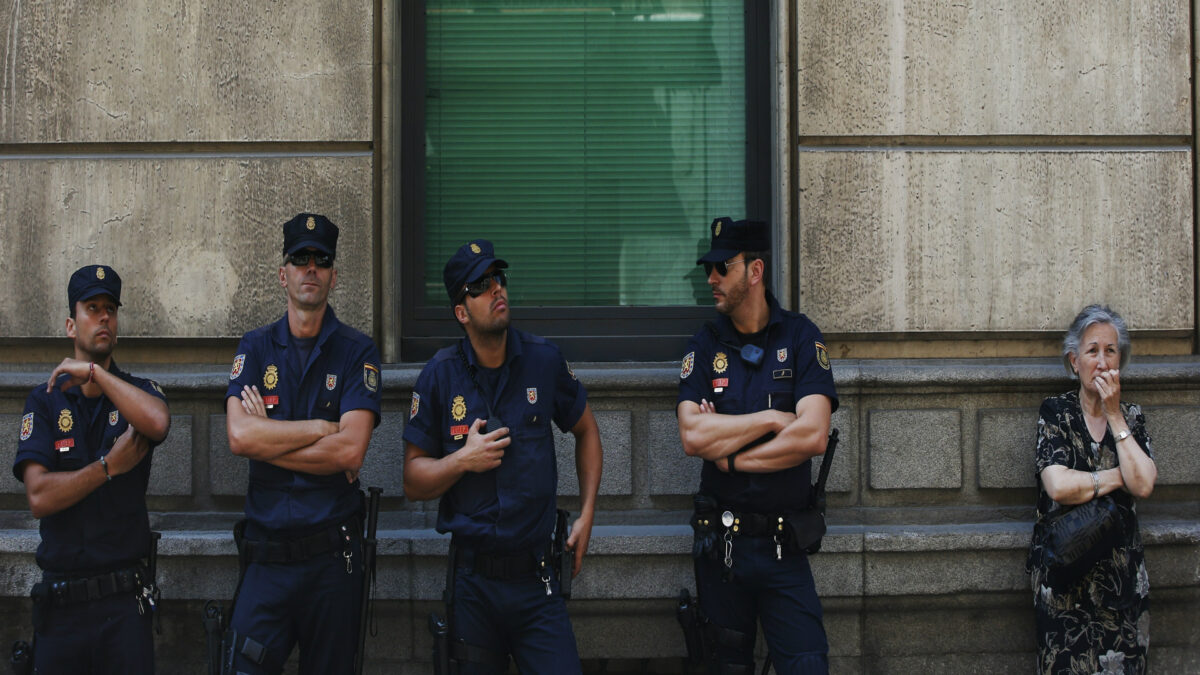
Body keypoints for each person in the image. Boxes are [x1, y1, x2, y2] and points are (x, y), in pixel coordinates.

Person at [403, 239, 603, 674]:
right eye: (481, 285)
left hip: (537, 581)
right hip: (474, 586)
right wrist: (461, 461)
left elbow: (587, 430)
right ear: (461, 311)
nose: (497, 290)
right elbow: (413, 480)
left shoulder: (543, 360)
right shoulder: (439, 376)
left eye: (499, 279)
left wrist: (588, 513)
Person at [676, 217, 838, 674]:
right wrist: (768, 418)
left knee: (808, 664)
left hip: (784, 548)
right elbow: (692, 435)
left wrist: (730, 454)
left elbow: (811, 435)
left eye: (722, 268)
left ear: (755, 271)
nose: (711, 279)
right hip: (723, 551)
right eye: (709, 269)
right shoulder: (706, 345)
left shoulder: (801, 337)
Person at [224, 213, 382, 674]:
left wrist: (267, 439)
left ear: (334, 275)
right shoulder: (254, 348)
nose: (310, 268)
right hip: (266, 560)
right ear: (283, 273)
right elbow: (239, 436)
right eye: (300, 259)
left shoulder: (358, 352)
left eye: (321, 259)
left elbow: (350, 452)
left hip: (331, 563)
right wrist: (320, 428)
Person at [14, 264, 171, 673]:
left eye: (111, 309)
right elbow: (39, 496)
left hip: (123, 605)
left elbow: (157, 423)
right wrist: (106, 467)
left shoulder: (139, 393)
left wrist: (96, 372)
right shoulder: (44, 402)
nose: (104, 317)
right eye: (92, 308)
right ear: (71, 324)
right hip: (62, 607)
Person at [1027, 304, 1157, 674]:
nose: (1101, 361)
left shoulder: (1131, 416)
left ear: (1120, 361)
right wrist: (1120, 477)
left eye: (1110, 351)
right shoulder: (1056, 412)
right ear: (1074, 361)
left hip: (1123, 587)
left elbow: (1145, 484)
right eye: (1092, 351)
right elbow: (1059, 486)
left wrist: (1114, 414)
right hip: (1065, 587)